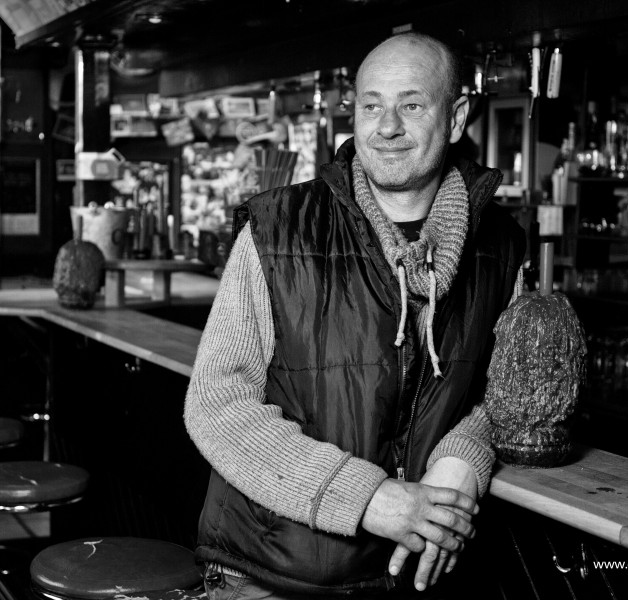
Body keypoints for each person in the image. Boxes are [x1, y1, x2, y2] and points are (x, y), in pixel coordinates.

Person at [185, 32, 525, 599]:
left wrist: (466, 455)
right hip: (275, 573)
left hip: (413, 579)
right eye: (371, 105)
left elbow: (509, 392)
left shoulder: (504, 248)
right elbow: (216, 403)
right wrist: (365, 497)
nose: (386, 127)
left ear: (458, 115)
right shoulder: (277, 229)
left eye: (411, 105)